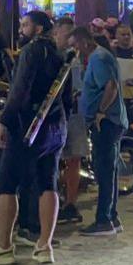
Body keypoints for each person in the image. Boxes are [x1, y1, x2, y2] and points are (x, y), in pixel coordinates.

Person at [0, 10, 67, 265]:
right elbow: (68, 95)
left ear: (38, 29)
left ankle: (3, 246)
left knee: (6, 183)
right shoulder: (60, 53)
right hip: (55, 125)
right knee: (48, 183)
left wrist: (4, 120)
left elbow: (20, 88)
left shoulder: (31, 51)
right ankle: (44, 245)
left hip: (27, 126)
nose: (22, 28)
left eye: (26, 24)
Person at [73, 26, 126, 236]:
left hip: (106, 123)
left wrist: (101, 112)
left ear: (84, 42)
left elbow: (110, 86)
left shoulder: (98, 58)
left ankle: (103, 220)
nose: (75, 49)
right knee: (109, 170)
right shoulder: (99, 57)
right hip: (109, 121)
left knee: (104, 171)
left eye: (76, 44)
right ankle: (111, 216)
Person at [54, 22, 88, 224]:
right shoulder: (49, 56)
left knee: (73, 158)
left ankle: (70, 203)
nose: (68, 40)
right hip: (55, 114)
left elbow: (79, 86)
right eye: (65, 34)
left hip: (73, 114)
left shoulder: (76, 59)